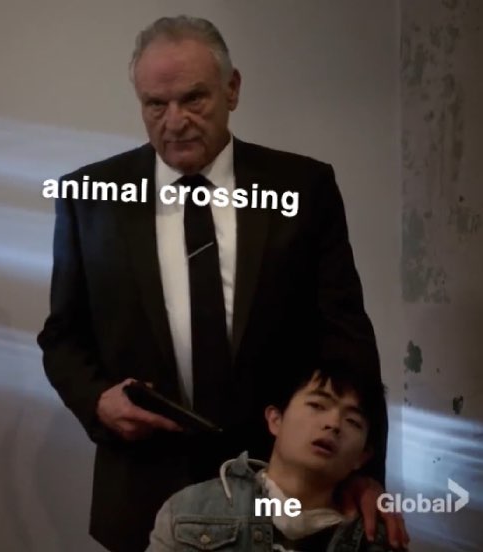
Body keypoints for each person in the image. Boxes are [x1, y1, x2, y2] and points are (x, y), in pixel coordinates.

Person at [37, 15, 407, 552]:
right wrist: (96, 400)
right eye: (155, 104)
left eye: (193, 98)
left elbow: (347, 338)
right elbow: (62, 337)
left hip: (289, 497)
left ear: (232, 89)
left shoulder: (304, 187)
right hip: (141, 491)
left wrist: (365, 471)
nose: (175, 121)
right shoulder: (89, 195)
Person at [147, 363, 391, 551]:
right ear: (275, 419)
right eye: (317, 405)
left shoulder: (375, 541)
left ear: (362, 456)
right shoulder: (192, 510)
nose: (333, 424)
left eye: (352, 421)